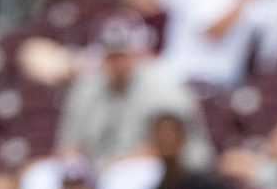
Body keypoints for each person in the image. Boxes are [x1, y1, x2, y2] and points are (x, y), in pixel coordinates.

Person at [55, 18, 212, 173]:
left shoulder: (165, 87)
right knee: (43, 174)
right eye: (110, 54)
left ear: (139, 52)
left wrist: (112, 164)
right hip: (101, 167)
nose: (117, 62)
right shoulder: (86, 88)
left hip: (164, 170)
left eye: (122, 54)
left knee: (137, 172)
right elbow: (68, 146)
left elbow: (168, 149)